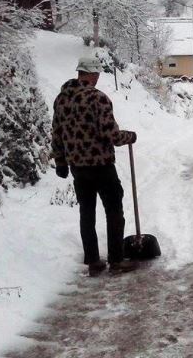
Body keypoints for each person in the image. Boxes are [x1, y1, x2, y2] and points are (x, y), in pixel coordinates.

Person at [52, 56, 138, 277]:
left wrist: (60, 162)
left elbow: (57, 134)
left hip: (77, 167)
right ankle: (116, 261)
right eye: (97, 74)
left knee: (87, 212)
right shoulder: (97, 98)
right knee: (114, 211)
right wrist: (129, 136)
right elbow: (110, 134)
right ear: (91, 74)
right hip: (101, 165)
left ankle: (93, 261)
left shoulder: (61, 99)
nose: (98, 78)